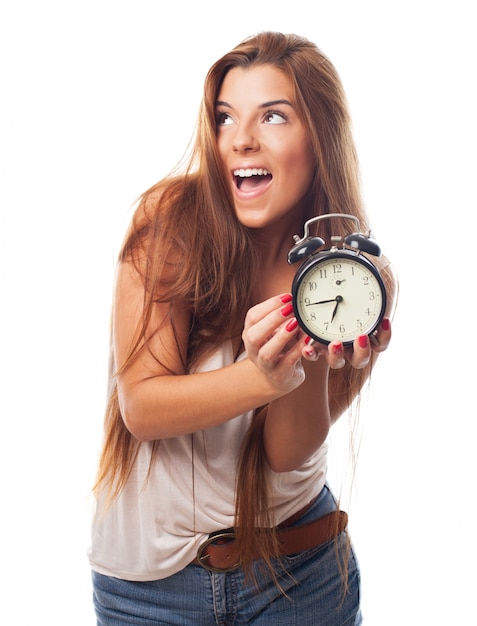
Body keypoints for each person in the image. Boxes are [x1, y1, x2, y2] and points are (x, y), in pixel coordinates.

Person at [89, 31, 397, 625]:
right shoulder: (171, 224)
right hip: (150, 591)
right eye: (226, 118)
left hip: (298, 574)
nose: (241, 140)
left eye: (274, 116)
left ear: (320, 137)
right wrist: (259, 376)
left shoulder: (351, 282)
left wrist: (309, 362)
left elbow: (284, 455)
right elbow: (144, 407)